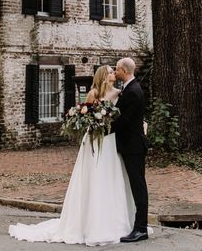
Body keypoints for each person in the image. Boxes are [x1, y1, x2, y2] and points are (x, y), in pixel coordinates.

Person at [8, 65, 136, 246]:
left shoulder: (118, 94)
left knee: (111, 178)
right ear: (103, 76)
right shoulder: (93, 93)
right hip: (95, 140)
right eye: (109, 71)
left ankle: (114, 221)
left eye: (113, 71)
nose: (113, 73)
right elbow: (87, 115)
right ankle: (88, 223)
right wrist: (92, 122)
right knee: (94, 178)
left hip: (110, 140)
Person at [112, 57, 149, 243]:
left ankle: (141, 228)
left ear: (124, 71)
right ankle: (137, 225)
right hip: (130, 145)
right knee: (135, 186)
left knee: (138, 187)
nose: (115, 72)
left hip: (133, 147)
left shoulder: (133, 91)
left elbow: (124, 120)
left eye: (117, 69)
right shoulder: (129, 89)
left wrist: (104, 129)